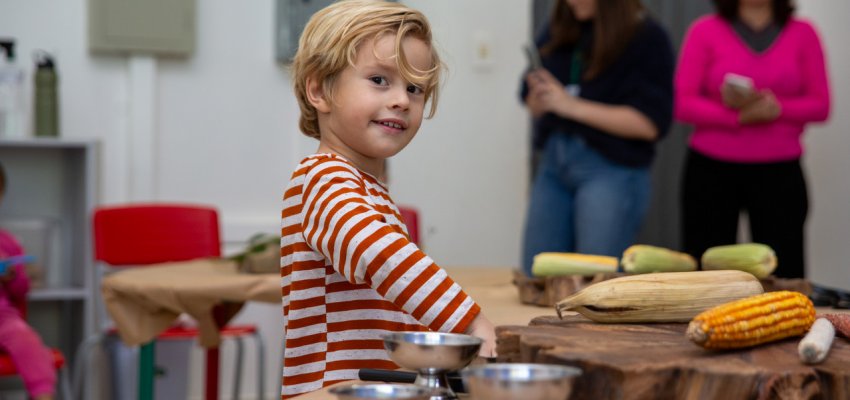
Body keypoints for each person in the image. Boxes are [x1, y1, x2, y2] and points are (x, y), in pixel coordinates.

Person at [280, 1, 496, 397]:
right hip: (331, 391)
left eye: (415, 88)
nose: (402, 100)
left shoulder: (365, 187)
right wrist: (468, 322)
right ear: (319, 90)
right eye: (380, 80)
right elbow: (379, 254)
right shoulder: (323, 179)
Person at [675, 0, 830, 279]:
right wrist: (737, 117)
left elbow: (821, 105)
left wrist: (777, 109)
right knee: (704, 269)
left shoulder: (803, 33)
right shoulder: (704, 30)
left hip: (779, 171)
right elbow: (683, 103)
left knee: (784, 270)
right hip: (711, 169)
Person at [519, 0, 674, 276]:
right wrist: (541, 97)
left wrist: (569, 105)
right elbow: (530, 102)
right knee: (537, 273)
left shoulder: (647, 37)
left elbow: (649, 123)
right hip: (554, 162)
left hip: (611, 167)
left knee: (597, 279)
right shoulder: (561, 28)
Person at [0, 161, 56, 400]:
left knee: (27, 341)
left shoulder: (7, 243)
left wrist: (11, 276)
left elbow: (21, 291)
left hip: (3, 320)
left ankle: (43, 395)